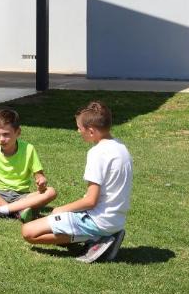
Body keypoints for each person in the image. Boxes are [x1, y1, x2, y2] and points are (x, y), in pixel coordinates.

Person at [22, 101, 132, 263]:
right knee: (54, 220)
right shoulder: (121, 147)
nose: (78, 131)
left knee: (28, 232)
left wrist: (60, 209)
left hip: (98, 221)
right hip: (116, 220)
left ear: (91, 131)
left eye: (80, 128)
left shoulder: (97, 153)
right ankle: (98, 236)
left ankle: (96, 240)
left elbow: (90, 200)